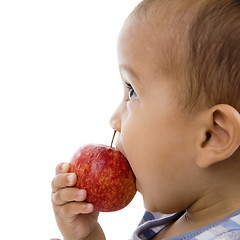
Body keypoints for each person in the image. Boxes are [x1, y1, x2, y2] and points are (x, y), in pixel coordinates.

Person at [51, 0, 240, 239]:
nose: (114, 120)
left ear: (211, 135)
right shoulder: (170, 215)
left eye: (132, 92)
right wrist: (87, 235)